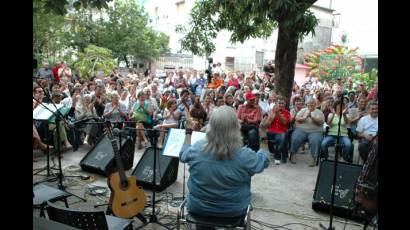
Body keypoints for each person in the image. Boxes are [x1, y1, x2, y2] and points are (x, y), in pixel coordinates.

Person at [179, 106, 270, 226]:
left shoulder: (196, 148)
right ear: (236, 128)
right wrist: (263, 135)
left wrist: (188, 131)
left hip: (198, 209)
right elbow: (264, 160)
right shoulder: (244, 155)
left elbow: (183, 154)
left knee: (203, 218)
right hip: (233, 212)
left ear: (210, 126)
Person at [290, 97, 324, 166]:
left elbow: (321, 122)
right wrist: (304, 117)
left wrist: (312, 117)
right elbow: (297, 118)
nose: (310, 105)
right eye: (308, 104)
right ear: (306, 104)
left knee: (316, 140)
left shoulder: (319, 112)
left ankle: (313, 157)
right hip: (301, 130)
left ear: (315, 104)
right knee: (296, 137)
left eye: (312, 104)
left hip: (315, 131)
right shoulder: (303, 110)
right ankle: (293, 154)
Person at [264, 97, 291, 165]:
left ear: (285, 104)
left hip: (281, 131)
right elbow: (266, 125)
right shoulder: (270, 112)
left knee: (280, 138)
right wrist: (272, 116)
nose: (281, 105)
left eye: (282, 103)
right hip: (271, 131)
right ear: (276, 104)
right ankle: (271, 151)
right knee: (265, 136)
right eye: (279, 103)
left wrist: (278, 114)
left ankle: (277, 156)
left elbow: (285, 122)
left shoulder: (287, 112)